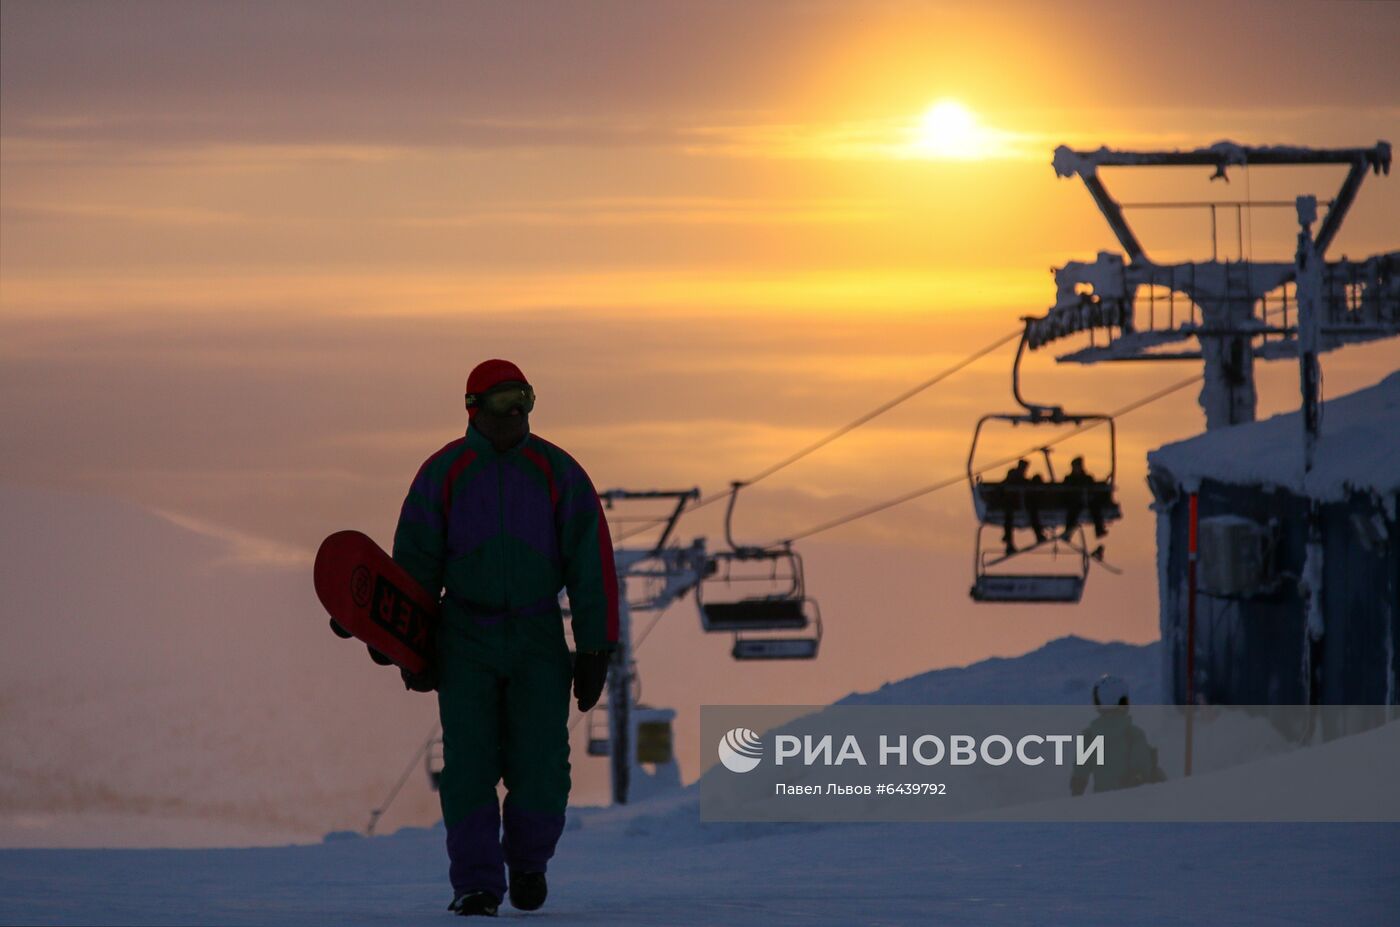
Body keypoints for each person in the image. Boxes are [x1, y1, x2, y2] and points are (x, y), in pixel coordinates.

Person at [392, 358, 619, 917]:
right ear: (473, 408)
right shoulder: (442, 474)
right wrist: (408, 645)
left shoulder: (557, 472)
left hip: (539, 636)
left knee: (542, 768)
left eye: (525, 397)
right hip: (463, 634)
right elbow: (414, 565)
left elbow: (591, 565)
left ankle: (529, 861)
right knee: (468, 767)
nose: (516, 411)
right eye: (502, 400)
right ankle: (476, 885)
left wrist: (595, 647)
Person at [1070, 675, 1166, 796]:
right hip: (1130, 804)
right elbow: (1141, 772)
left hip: (1100, 805)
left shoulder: (1089, 737)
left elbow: (1079, 778)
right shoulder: (1133, 735)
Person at [999, 458, 1046, 555]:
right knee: (1010, 515)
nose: (1024, 470)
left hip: (1021, 505)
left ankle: (1038, 535)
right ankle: (1009, 542)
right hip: (1012, 505)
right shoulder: (1013, 477)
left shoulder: (1021, 479)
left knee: (1032, 512)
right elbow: (1006, 486)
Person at [1061, 455, 1108, 540]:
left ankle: (1099, 530)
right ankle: (1068, 532)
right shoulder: (1069, 478)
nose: (1077, 468)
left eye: (1079, 466)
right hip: (1074, 501)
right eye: (1076, 466)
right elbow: (1066, 491)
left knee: (1095, 508)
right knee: (1073, 510)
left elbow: (1092, 489)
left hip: (1087, 500)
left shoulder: (1087, 478)